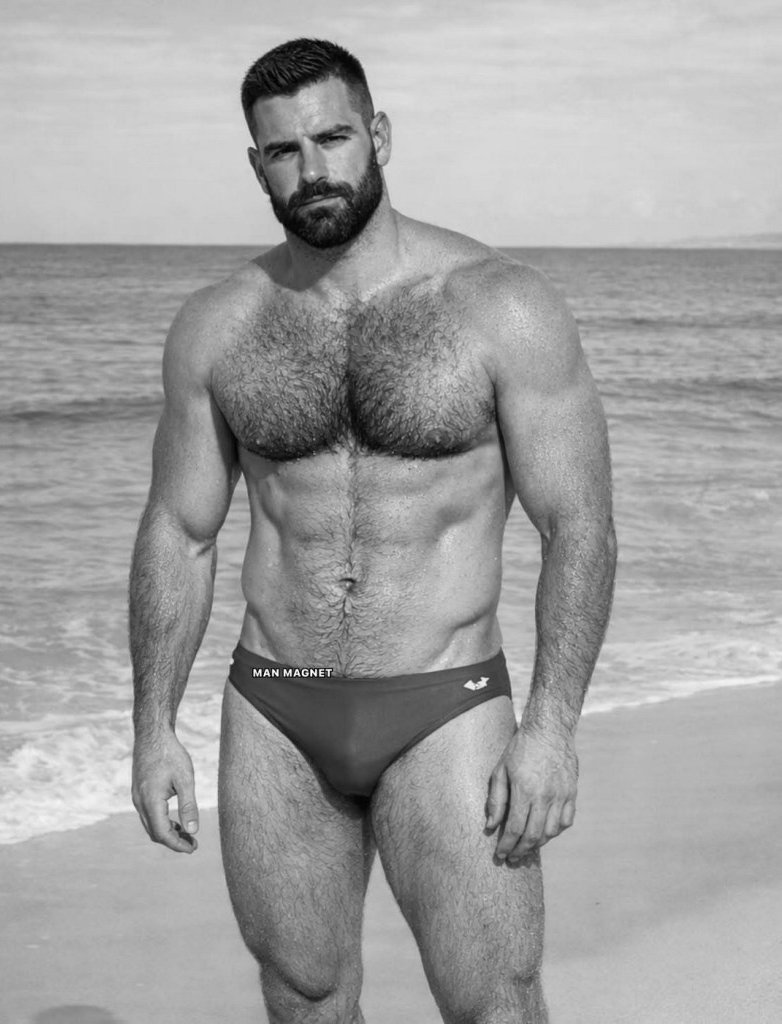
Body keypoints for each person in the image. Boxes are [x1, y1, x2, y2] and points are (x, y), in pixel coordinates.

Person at [129, 37, 617, 1024]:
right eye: (283, 151)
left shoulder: (500, 306)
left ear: (379, 135)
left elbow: (579, 527)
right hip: (276, 705)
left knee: (494, 1000)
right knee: (303, 996)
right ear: (256, 165)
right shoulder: (219, 324)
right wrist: (151, 729)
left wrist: (551, 731)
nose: (312, 170)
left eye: (333, 138)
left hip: (444, 703)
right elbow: (180, 532)